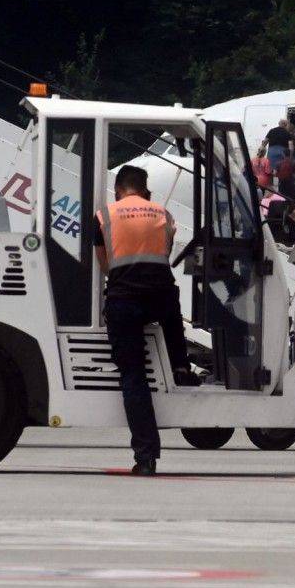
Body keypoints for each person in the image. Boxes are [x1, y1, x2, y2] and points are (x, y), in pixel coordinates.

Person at [97, 164, 188, 475]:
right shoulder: (162, 213)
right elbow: (166, 250)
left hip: (124, 300)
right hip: (160, 297)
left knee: (133, 377)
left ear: (119, 188)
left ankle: (146, 457)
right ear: (145, 188)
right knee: (171, 313)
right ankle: (181, 365)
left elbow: (104, 265)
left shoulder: (105, 215)